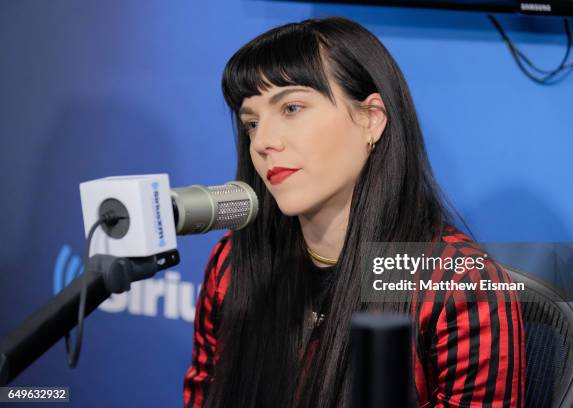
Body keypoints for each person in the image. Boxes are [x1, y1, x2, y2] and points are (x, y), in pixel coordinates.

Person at [183, 16, 524, 408]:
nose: (263, 141)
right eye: (251, 123)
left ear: (371, 119)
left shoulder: (457, 286)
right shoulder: (233, 266)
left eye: (292, 108)